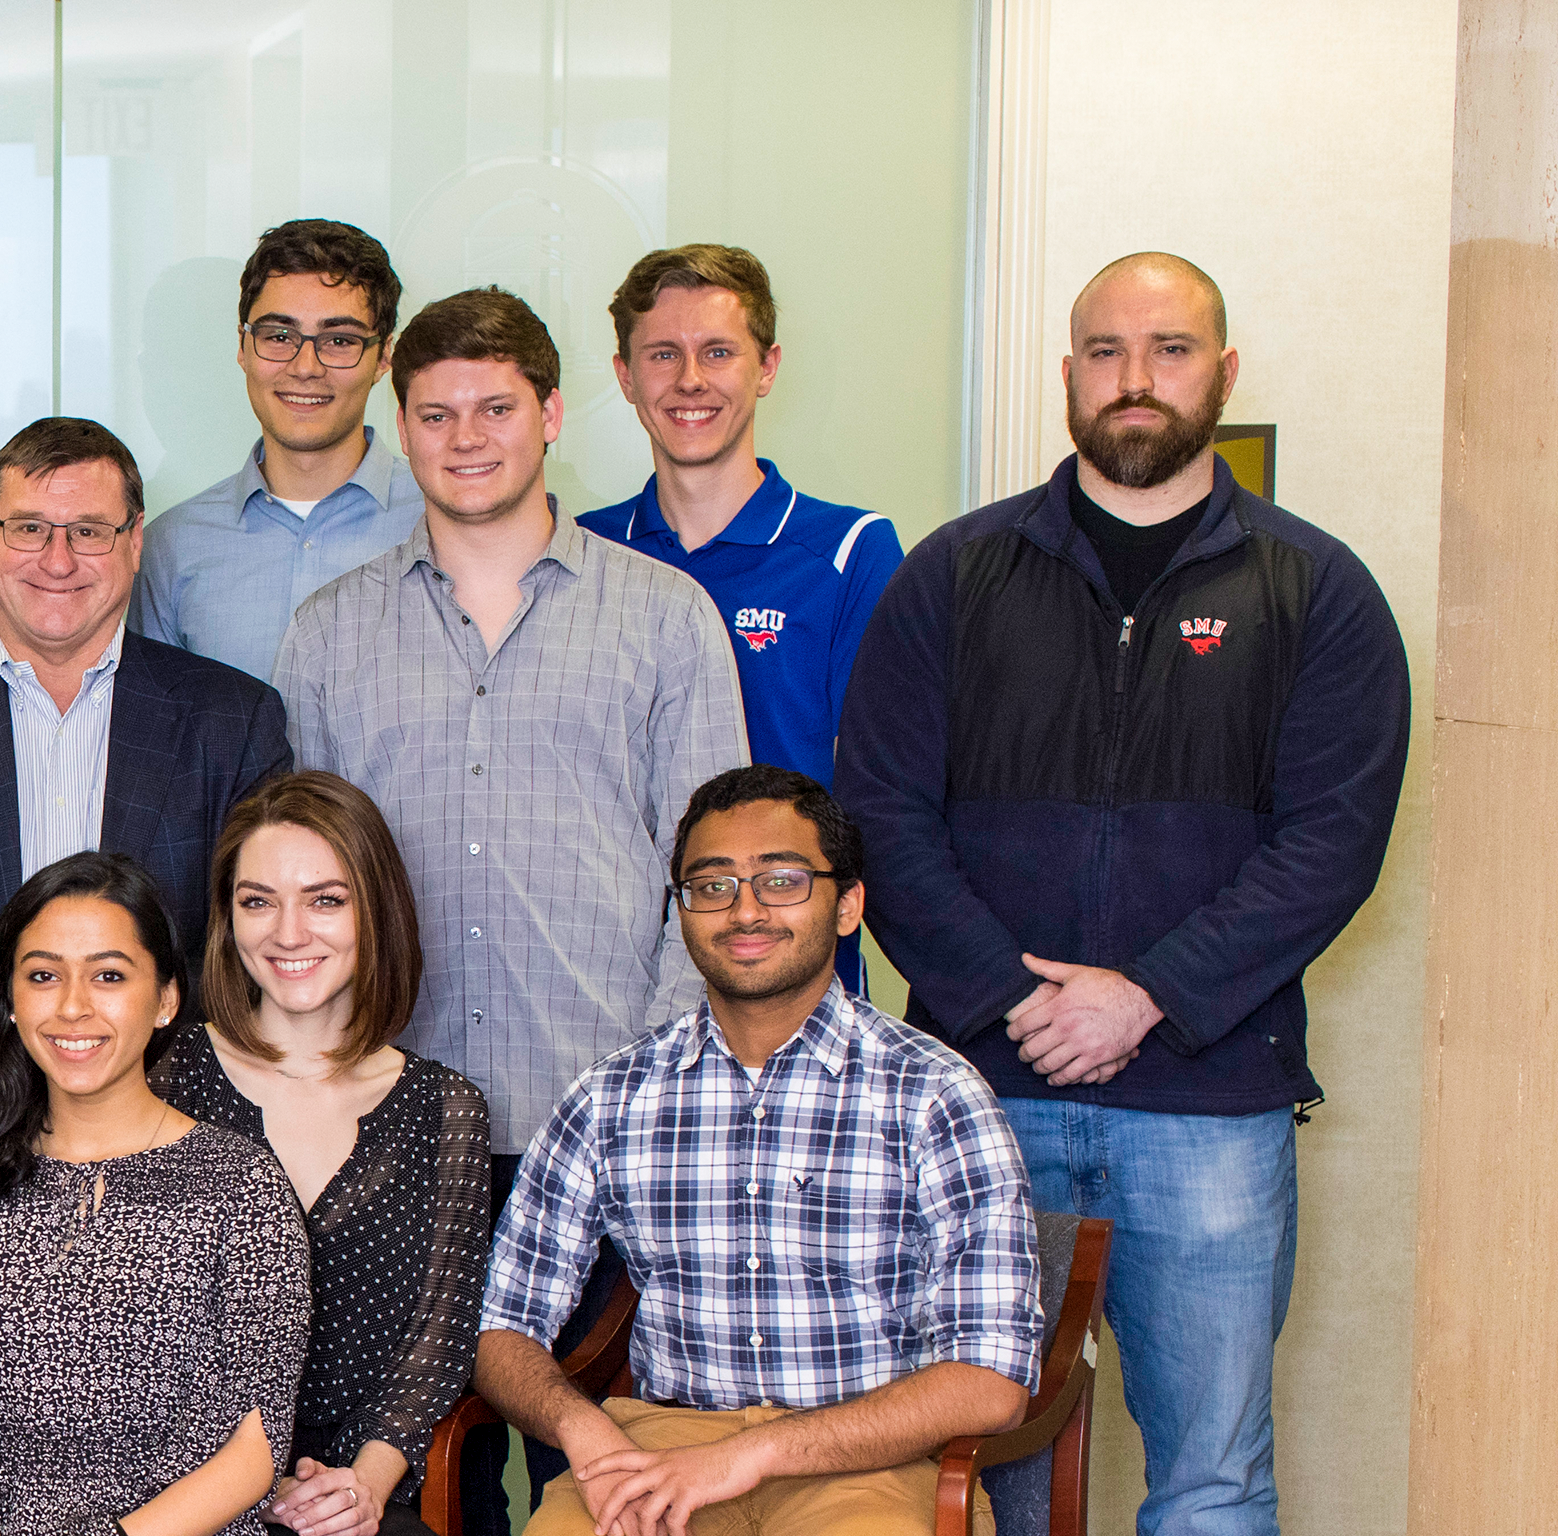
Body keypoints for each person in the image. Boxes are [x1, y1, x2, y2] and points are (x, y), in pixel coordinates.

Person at [835, 252, 1409, 1536]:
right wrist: (1006, 999)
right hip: (983, 1101)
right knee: (975, 1469)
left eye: (1168, 350)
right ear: (1066, 376)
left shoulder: (1317, 592)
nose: (1134, 381)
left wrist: (1147, 996)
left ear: (1225, 370)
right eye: (1104, 352)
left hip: (1209, 1112)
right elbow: (878, 812)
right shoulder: (955, 575)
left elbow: (1333, 840)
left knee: (1211, 1479)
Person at [272, 286, 744, 1530]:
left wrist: (654, 1079)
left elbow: (712, 879)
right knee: (417, 1466)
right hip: (388, 1121)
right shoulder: (328, 634)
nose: (466, 435)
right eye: (435, 413)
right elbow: (299, 897)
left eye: (495, 406)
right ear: (401, 424)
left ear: (551, 413)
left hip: (603, 1114)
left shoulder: (664, 617)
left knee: (606, 1460)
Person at [475, 765, 1044, 1536]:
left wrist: (759, 1452)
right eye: (711, 886)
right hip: (655, 1452)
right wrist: (588, 1434)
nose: (744, 910)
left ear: (848, 907)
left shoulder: (935, 1092)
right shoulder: (610, 1097)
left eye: (780, 881)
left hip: (868, 1465)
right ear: (680, 911)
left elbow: (992, 1380)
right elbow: (502, 1325)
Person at [0, 417, 292, 1126]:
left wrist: (125, 1099)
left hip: (159, 1126)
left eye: (90, 532)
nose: (58, 560)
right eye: (30, 528)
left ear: (135, 542)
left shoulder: (233, 718)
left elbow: (245, 932)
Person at [0, 850, 302, 1536]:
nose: (73, 1007)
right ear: (9, 1002)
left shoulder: (242, 1187)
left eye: (109, 975)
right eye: (43, 976)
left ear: (167, 998)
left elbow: (254, 1445)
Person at [147, 771, 490, 1536]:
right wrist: (228, 1485)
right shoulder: (163, 1077)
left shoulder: (446, 1110)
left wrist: (362, 1485)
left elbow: (440, 1338)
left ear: (378, 911)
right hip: (171, 1492)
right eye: (258, 901)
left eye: (325, 900)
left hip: (358, 1500)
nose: (289, 933)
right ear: (227, 918)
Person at [577, 246, 901, 994]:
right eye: (663, 354)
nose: (690, 380)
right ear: (625, 376)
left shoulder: (852, 551)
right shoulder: (582, 550)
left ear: (767, 366)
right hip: (624, 972)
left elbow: (884, 791)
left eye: (718, 351)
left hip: (792, 967)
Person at [135, 219, 422, 686]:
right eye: (279, 337)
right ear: (243, 347)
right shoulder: (173, 549)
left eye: (340, 341)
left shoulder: (441, 524)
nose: (305, 367)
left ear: (384, 357)